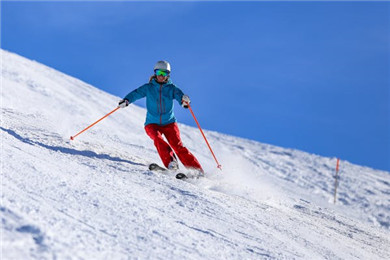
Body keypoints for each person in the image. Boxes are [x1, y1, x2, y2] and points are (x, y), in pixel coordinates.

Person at [118, 60, 203, 173]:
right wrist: (127, 100)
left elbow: (180, 96)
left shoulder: (172, 88)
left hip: (169, 123)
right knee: (158, 139)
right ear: (155, 73)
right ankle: (171, 163)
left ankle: (196, 170)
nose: (161, 76)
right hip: (152, 123)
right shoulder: (148, 87)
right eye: (159, 73)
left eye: (164, 73)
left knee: (177, 145)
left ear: (168, 75)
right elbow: (136, 93)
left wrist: (184, 101)